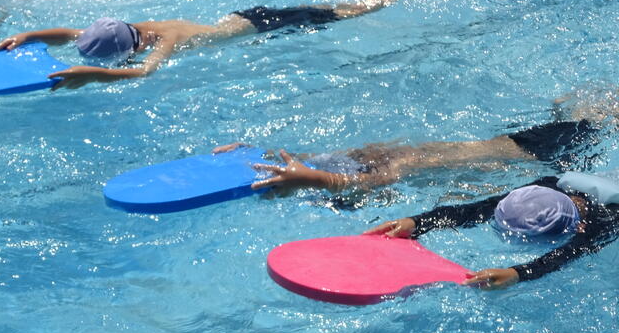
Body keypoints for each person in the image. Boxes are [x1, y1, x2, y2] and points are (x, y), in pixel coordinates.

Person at [0, 0, 429, 91]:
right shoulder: (127, 29)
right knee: (336, 7)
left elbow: (144, 73)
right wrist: (29, 36)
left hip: (263, 25)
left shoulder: (166, 39)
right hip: (248, 20)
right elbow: (71, 33)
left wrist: (91, 75)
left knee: (353, 12)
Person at [213, 116, 603, 193]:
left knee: (594, 121)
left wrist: (311, 180)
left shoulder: (400, 161)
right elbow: (324, 159)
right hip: (521, 145)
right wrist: (259, 152)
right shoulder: (374, 153)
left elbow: (370, 182)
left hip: (534, 154)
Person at [363, 174, 619, 289]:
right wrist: (417, 223)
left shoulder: (606, 221)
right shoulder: (545, 188)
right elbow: (475, 210)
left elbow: (567, 253)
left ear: (578, 228)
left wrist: (517, 274)